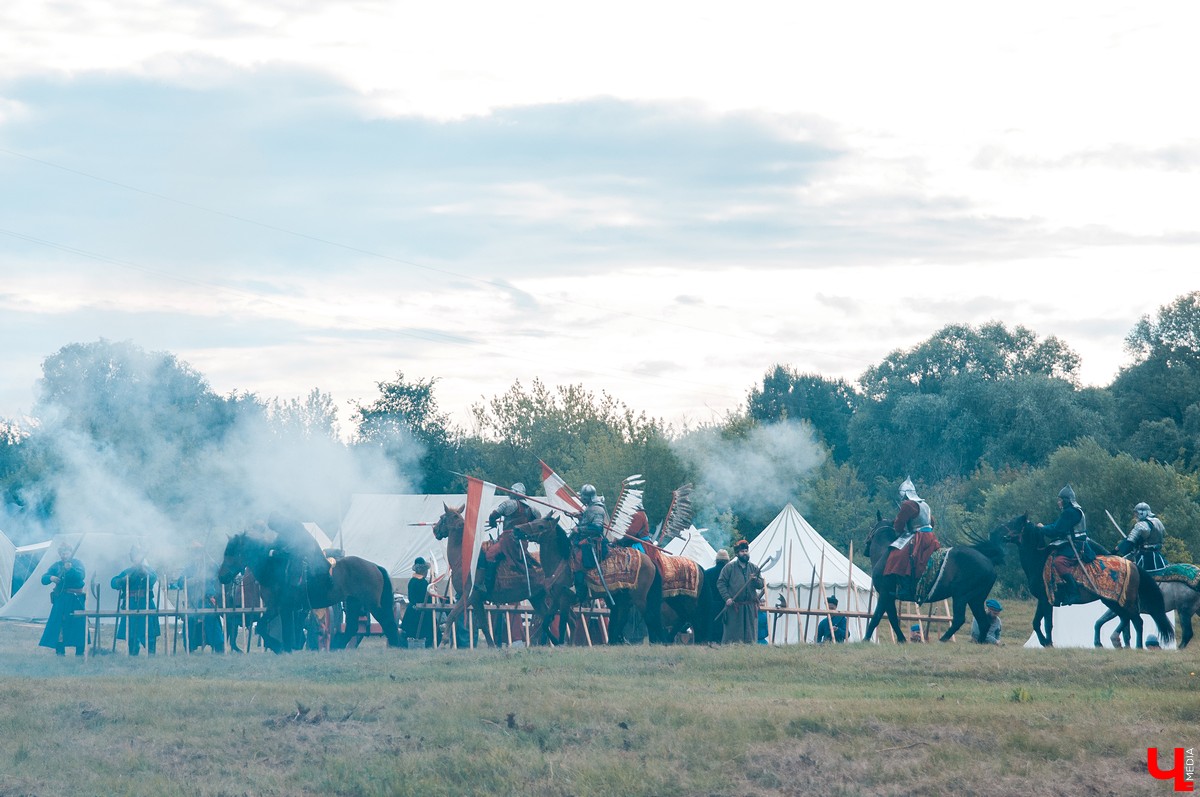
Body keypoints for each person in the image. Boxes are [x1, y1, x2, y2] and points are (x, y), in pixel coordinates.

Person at [478, 483, 542, 598]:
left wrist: (492, 523)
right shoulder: (532, 510)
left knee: (489, 555)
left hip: (507, 541)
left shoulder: (509, 504)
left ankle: (486, 585)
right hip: (522, 542)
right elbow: (538, 523)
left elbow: (493, 515)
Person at [1036, 484, 1094, 605]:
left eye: (1060, 500)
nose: (1058, 502)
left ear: (1066, 501)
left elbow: (1056, 530)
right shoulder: (1070, 512)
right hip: (1072, 543)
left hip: (1075, 546)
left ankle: (1073, 592)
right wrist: (1045, 527)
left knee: (1059, 562)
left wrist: (1042, 529)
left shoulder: (1071, 512)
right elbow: (1056, 525)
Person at [884, 477, 941, 599]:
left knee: (897, 555)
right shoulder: (924, 504)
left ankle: (905, 587)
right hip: (931, 536)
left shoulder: (908, 504)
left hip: (918, 537)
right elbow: (932, 521)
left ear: (904, 494)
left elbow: (899, 523)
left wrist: (898, 530)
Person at [170, 541, 225, 654]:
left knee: (211, 619)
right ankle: (189, 646)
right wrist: (194, 580)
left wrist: (208, 559)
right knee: (190, 620)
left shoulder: (210, 565)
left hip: (207, 600)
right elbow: (180, 583)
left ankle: (218, 646)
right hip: (193, 601)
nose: (197, 554)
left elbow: (218, 572)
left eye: (199, 552)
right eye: (195, 552)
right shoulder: (189, 568)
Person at [111, 546, 160, 656]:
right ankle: (133, 652)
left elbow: (152, 578)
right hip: (131, 603)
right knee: (131, 632)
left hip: (145, 603)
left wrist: (144, 573)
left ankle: (151, 653)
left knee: (149, 631)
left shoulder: (148, 570)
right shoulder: (127, 571)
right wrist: (122, 580)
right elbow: (113, 583)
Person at [39, 542, 87, 657]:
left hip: (76, 599)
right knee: (59, 624)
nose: (64, 555)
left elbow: (81, 576)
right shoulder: (56, 565)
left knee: (78, 624)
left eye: (66, 553)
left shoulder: (77, 564)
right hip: (61, 599)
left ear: (70, 553)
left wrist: (71, 569)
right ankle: (60, 651)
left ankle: (79, 652)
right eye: (62, 553)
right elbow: (44, 579)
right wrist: (51, 577)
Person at [716, 540, 764, 644]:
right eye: (742, 551)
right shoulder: (729, 568)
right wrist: (727, 598)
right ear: (737, 554)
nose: (745, 553)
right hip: (735, 607)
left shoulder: (754, 568)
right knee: (733, 636)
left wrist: (755, 579)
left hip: (750, 607)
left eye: (746, 551)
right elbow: (721, 583)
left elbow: (761, 584)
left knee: (750, 636)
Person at [570, 484, 610, 603]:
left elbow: (597, 528)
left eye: (583, 497)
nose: (582, 499)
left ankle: (581, 592)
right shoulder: (590, 507)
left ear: (588, 498)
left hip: (592, 542)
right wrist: (581, 517)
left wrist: (580, 529)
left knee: (578, 561)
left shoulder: (597, 509)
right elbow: (588, 521)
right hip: (583, 540)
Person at [1118, 502, 1168, 572]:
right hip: (1158, 556)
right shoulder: (1158, 521)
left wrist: (1119, 550)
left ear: (1142, 513)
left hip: (1145, 558)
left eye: (1136, 513)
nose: (1135, 515)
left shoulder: (1141, 525)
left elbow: (1130, 542)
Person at [400, 557, 434, 648]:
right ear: (423, 571)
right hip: (421, 610)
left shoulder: (412, 581)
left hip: (413, 609)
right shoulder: (423, 583)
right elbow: (426, 598)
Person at [699, 549, 730, 643]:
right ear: (727, 561)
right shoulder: (729, 573)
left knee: (711, 625)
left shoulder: (707, 573)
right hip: (725, 603)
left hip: (710, 604)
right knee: (723, 627)